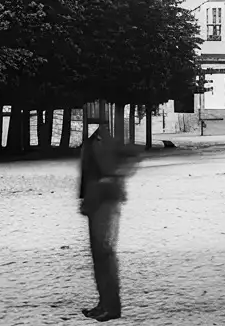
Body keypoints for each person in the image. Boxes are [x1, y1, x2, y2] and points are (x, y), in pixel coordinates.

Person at [79, 118, 138, 321]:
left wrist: (111, 178)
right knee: (99, 255)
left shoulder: (111, 130)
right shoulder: (96, 133)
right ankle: (104, 302)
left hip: (105, 199)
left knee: (104, 253)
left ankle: (111, 306)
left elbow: (130, 156)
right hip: (95, 198)